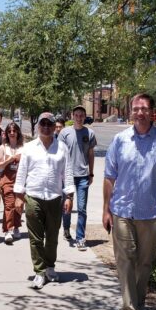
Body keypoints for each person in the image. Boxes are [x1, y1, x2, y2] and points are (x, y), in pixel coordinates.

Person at [102, 93, 156, 310]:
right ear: (130, 112)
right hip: (122, 210)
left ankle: (139, 304)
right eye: (136, 109)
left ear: (152, 112)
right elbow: (109, 176)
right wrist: (105, 208)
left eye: (144, 109)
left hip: (151, 212)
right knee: (125, 260)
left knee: (144, 262)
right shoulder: (119, 140)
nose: (140, 113)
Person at [14, 112, 74, 289]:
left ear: (54, 126)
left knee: (53, 237)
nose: (46, 127)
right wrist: (18, 196)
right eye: (43, 124)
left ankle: (50, 267)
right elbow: (21, 173)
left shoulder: (62, 148)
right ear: (38, 126)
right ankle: (39, 272)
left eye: (49, 124)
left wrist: (69, 196)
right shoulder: (29, 147)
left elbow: (67, 173)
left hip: (55, 199)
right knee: (36, 238)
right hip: (33, 197)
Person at [59, 105, 97, 251]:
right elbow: (60, 154)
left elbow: (91, 154)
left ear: (84, 116)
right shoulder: (64, 133)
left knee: (82, 209)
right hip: (67, 175)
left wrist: (91, 173)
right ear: (72, 116)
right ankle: (67, 229)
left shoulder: (90, 133)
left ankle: (80, 237)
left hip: (83, 176)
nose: (79, 117)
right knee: (67, 206)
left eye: (82, 115)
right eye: (77, 115)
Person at [0, 121, 24, 244]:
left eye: (14, 131)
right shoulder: (3, 147)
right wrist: (10, 159)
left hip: (21, 181)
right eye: (9, 131)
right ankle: (8, 230)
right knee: (9, 205)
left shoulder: (24, 147)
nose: (12, 133)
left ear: (18, 132)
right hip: (7, 181)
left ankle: (16, 226)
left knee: (19, 206)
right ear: (6, 134)